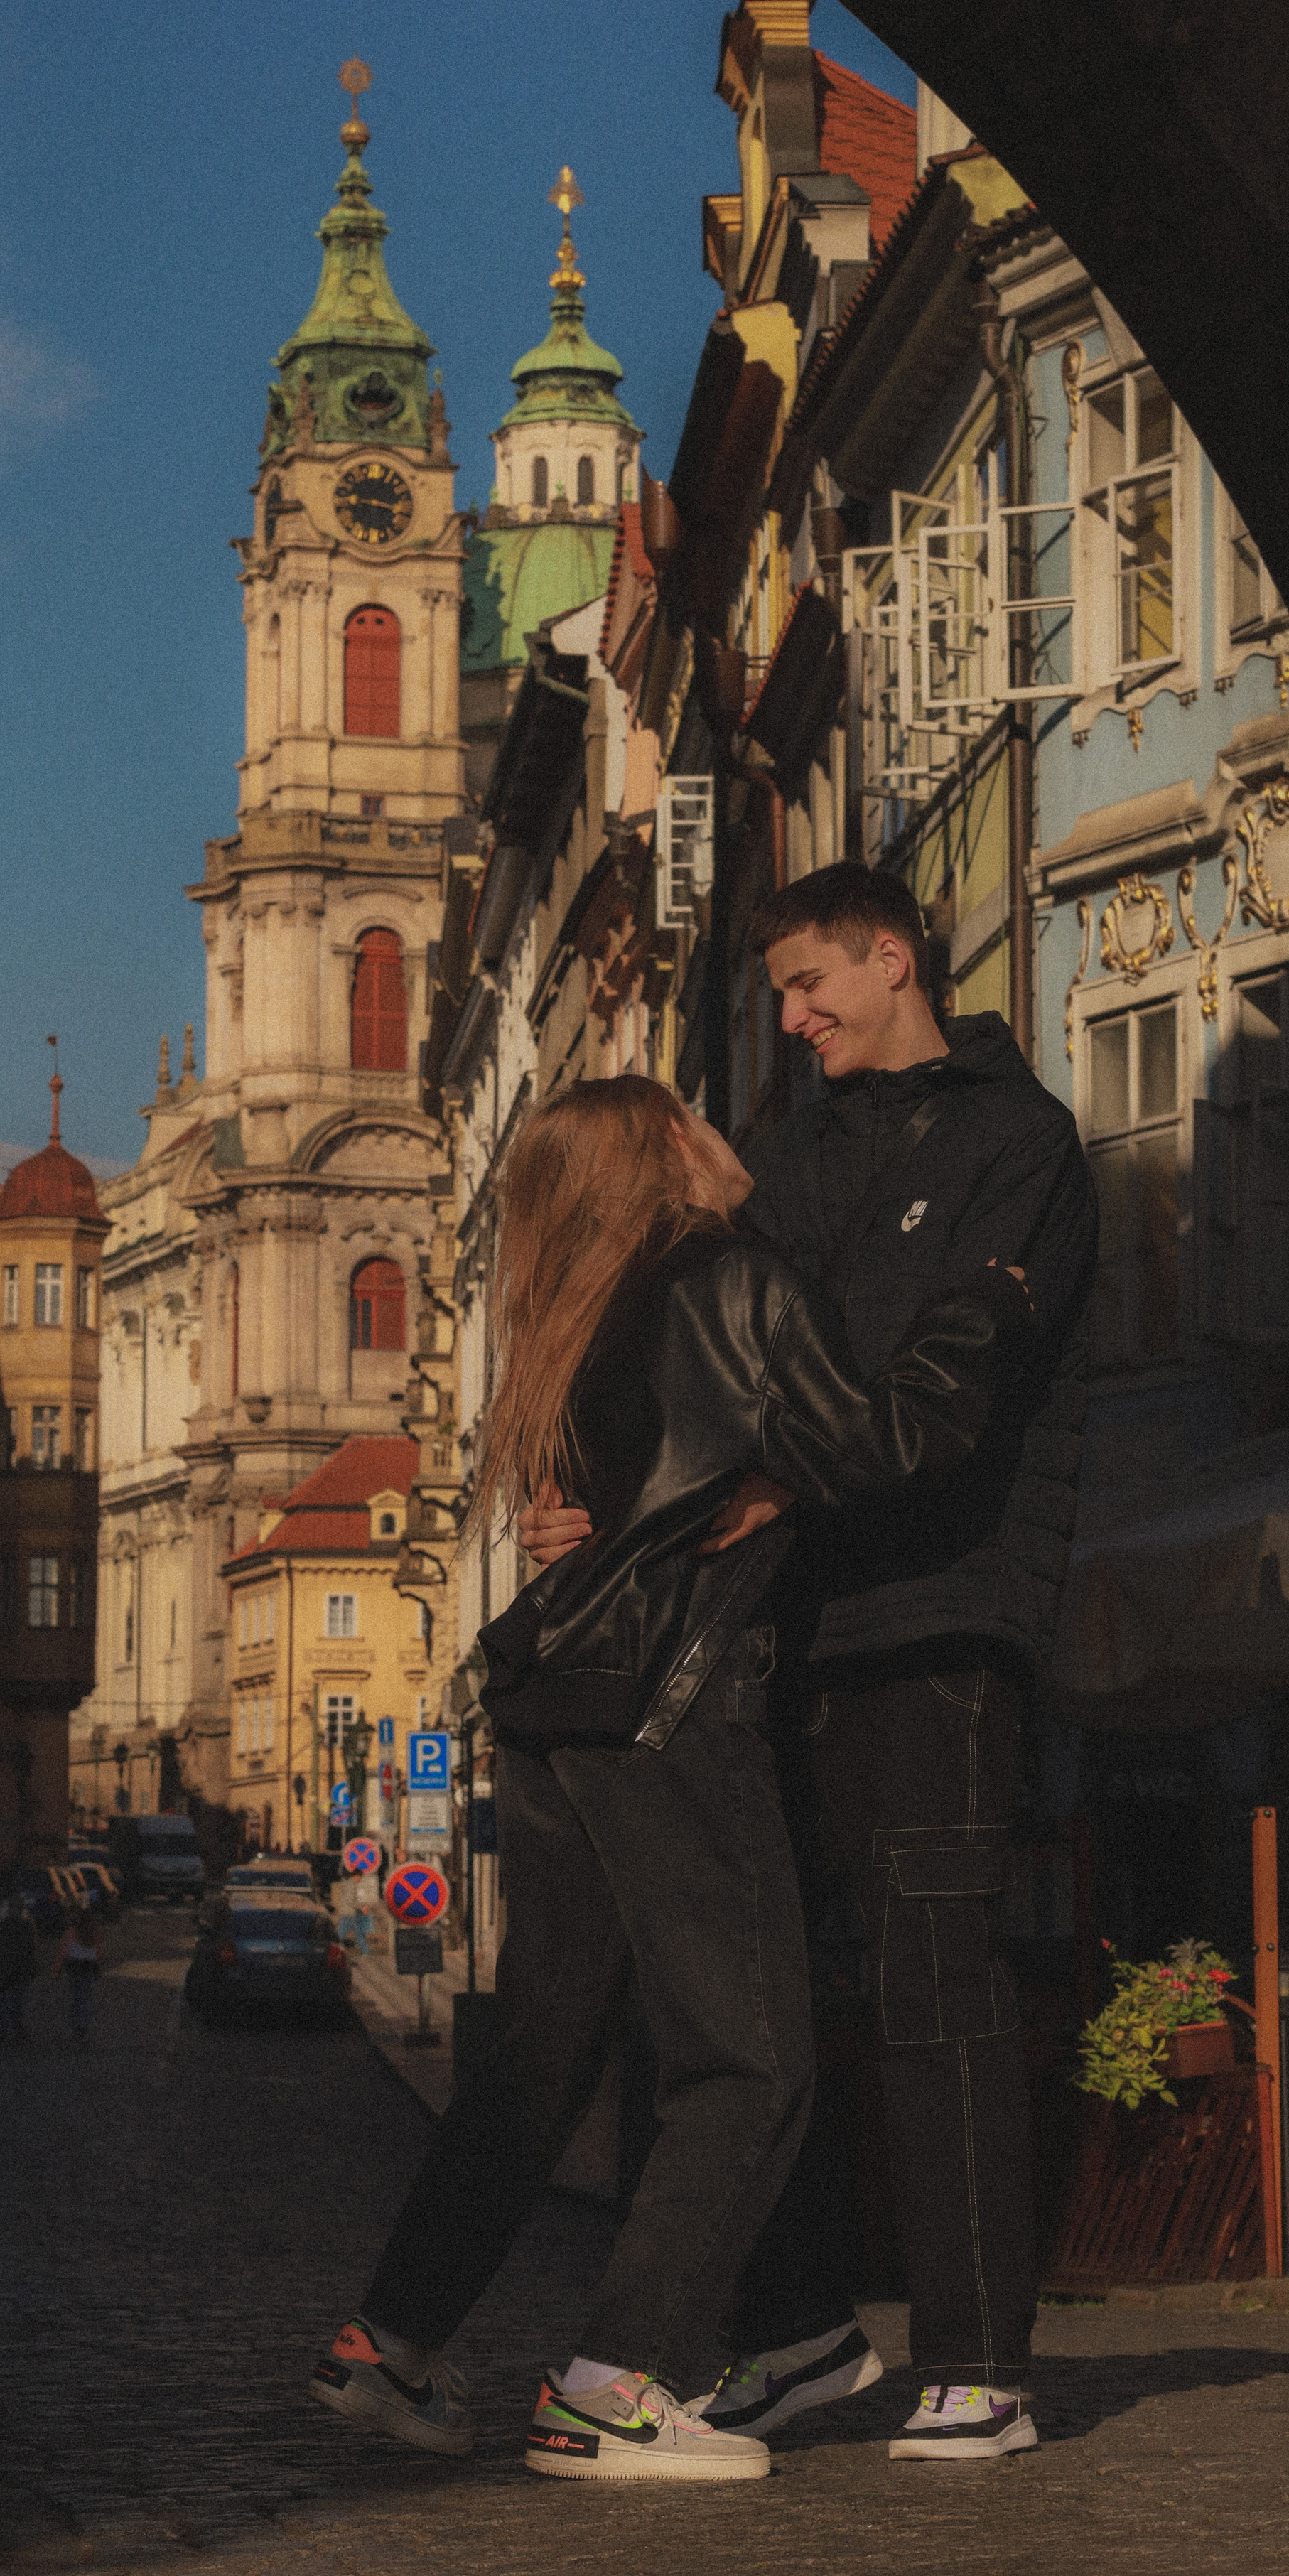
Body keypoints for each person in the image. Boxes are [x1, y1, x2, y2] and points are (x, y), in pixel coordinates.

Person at [310, 1072, 1034, 2486]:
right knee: (749, 2060)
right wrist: (982, 1309)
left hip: (555, 1704)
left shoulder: (573, 1323)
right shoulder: (726, 1277)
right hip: (669, 1706)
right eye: (689, 1124)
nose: (718, 1137)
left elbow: (655, 1494)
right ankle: (612, 2384)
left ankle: (388, 2341)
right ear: (658, 1158)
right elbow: (876, 1439)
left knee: (542, 2052)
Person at [522, 863, 1097, 2462]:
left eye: (806, 985)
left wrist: (782, 1479)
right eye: (777, 992)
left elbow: (952, 1394)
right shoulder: (785, 1160)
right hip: (766, 1626)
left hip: (936, 1614)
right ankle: (795, 2336)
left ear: (891, 959)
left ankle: (977, 2364)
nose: (787, 1017)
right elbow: (708, 1371)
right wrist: (595, 1503)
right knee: (747, 2006)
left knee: (933, 1982)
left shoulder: (1018, 1144)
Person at [0, 1891, 39, 2046]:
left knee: (2, 1998)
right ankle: (16, 2027)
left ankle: (2, 2029)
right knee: (17, 1997)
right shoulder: (26, 1926)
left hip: (4, 1966)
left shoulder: (2, 1926)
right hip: (20, 1966)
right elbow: (31, 1947)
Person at [59, 1905, 102, 2042]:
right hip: (88, 1968)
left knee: (77, 1995)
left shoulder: (71, 1932)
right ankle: (81, 2024)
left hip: (74, 1968)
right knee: (85, 1996)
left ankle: (76, 2022)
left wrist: (58, 1969)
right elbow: (100, 1951)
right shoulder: (93, 1933)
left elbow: (63, 1951)